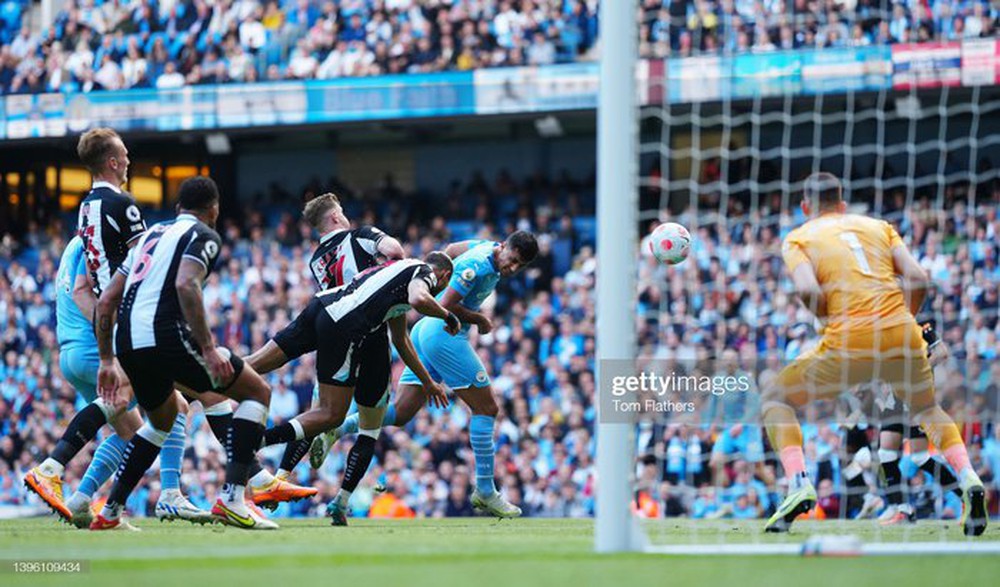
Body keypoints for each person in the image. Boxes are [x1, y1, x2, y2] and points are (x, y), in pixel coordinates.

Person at [760, 172, 986, 536]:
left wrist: (824, 316)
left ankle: (798, 482)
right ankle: (968, 476)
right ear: (844, 204)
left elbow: (807, 291)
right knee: (928, 410)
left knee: (775, 396)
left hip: (851, 338)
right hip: (901, 336)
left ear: (805, 207)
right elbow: (918, 277)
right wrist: (907, 322)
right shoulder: (879, 226)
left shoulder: (799, 238)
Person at [24, 128, 201, 526]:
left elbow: (82, 287)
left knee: (133, 429)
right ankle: (55, 468)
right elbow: (100, 285)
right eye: (124, 155)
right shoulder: (110, 218)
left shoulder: (85, 218)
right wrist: (113, 338)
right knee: (168, 408)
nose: (129, 160)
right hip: (102, 339)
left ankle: (85, 500)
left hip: (79, 347)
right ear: (114, 161)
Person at [90, 176, 276, 530]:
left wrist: (105, 359)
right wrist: (208, 348)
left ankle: (111, 511)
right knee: (258, 391)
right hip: (165, 335)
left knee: (160, 422)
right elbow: (185, 283)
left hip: (127, 342)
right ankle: (234, 498)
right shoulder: (204, 235)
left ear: (177, 209)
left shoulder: (148, 235)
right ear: (214, 209)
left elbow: (106, 299)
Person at [311, 232, 539, 519]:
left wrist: (440, 278)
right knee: (487, 408)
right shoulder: (478, 266)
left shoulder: (484, 246)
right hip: (440, 335)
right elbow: (449, 306)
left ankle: (340, 427)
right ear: (505, 247)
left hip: (422, 332)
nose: (513, 269)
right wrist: (479, 318)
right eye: (513, 260)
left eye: (520, 266)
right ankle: (485, 490)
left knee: (403, 412)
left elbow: (451, 249)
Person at [249, 253, 460, 525]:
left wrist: (428, 383)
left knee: (258, 365)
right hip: (347, 326)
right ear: (443, 276)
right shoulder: (424, 274)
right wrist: (447, 315)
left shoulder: (395, 272)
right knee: (336, 417)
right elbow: (420, 298)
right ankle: (256, 442)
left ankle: (207, 383)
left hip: (323, 306)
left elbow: (401, 339)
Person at [242, 192, 404, 509]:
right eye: (341, 212)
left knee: (320, 415)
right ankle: (340, 503)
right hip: (369, 334)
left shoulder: (316, 259)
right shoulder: (363, 235)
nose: (345, 216)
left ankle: (281, 476)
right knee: (370, 426)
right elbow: (395, 251)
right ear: (334, 217)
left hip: (332, 330)